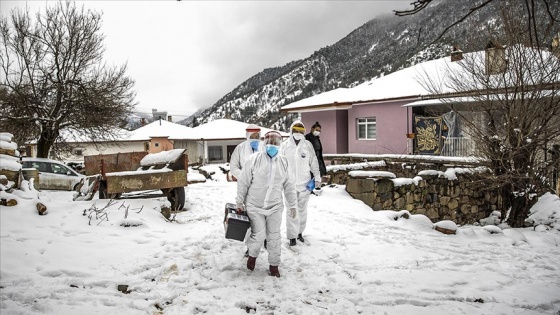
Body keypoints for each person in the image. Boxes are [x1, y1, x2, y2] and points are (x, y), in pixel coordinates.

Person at [236, 131, 297, 277]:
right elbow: (243, 182)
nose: (272, 145)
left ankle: (274, 265)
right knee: (259, 235)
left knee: (274, 236)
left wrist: (293, 204)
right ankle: (252, 256)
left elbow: (289, 185)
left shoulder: (284, 162)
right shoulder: (254, 159)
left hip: (275, 206)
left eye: (275, 143)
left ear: (280, 144)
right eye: (269, 142)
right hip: (254, 205)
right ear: (264, 143)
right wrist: (239, 202)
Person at [281, 120, 321, 246]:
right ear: (291, 131)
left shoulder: (308, 145)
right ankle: (292, 236)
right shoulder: (285, 145)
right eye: (296, 131)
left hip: (305, 184)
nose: (298, 133)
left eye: (300, 131)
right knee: (292, 210)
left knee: (302, 210)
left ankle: (299, 233)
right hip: (289, 185)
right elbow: (280, 164)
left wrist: (318, 178)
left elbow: (314, 162)